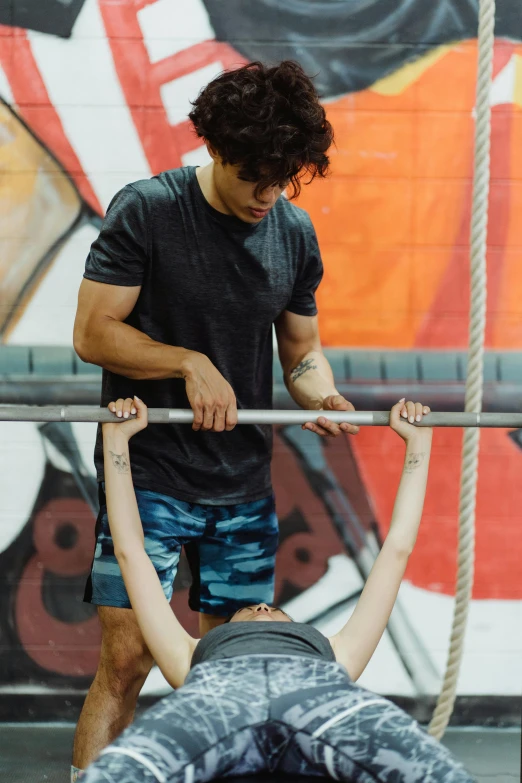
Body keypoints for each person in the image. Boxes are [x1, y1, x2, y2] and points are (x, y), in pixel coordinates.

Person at [72, 60, 360, 777]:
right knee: (129, 658)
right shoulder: (148, 209)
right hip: (148, 477)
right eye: (253, 177)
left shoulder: (292, 231)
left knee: (234, 672)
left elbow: (302, 352)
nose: (269, 194)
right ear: (214, 150)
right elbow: (93, 331)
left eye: (283, 177)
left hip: (242, 487)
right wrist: (186, 361)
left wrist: (322, 396)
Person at [79, 395, 474, 783]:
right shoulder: (330, 655)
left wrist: (419, 443)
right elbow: (130, 551)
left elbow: (396, 549)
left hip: (313, 699)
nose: (263, 607)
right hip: (221, 702)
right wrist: (116, 441)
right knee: (122, 772)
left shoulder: (193, 659)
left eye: (263, 610)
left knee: (435, 772)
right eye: (257, 610)